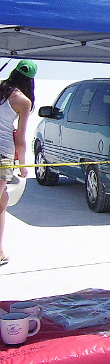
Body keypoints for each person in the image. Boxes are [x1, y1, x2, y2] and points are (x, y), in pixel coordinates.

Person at [0, 59, 36, 267]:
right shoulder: (22, 101)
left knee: (2, 201)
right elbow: (20, 139)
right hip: (2, 154)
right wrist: (23, 166)